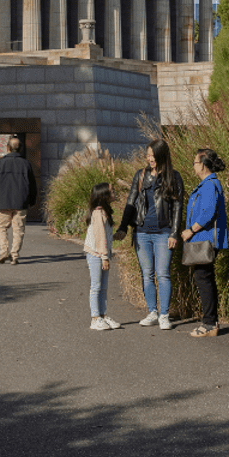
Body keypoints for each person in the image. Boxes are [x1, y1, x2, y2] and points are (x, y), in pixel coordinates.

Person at [113, 138, 185, 330]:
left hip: (163, 232)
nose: (149, 159)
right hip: (142, 232)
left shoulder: (173, 177)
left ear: (162, 156)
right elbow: (131, 202)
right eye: (148, 156)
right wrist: (123, 227)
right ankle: (152, 312)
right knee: (147, 274)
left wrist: (174, 233)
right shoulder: (141, 175)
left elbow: (178, 207)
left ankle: (164, 315)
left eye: (153, 156)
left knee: (163, 274)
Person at [180, 148, 228, 337]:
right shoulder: (208, 184)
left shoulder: (209, 185)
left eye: (195, 162)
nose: (193, 166)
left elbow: (207, 213)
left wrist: (190, 230)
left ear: (203, 164)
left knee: (204, 279)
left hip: (205, 240)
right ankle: (210, 321)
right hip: (203, 240)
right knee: (205, 278)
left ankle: (209, 323)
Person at [0, 136, 36, 264]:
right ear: (21, 149)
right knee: (18, 230)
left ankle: (3, 252)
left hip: (3, 201)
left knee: (2, 228)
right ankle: (15, 255)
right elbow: (32, 184)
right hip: (20, 202)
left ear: (7, 147)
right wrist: (32, 200)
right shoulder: (26, 164)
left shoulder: (0, 163)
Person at [83, 182, 122, 330]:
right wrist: (104, 257)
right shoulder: (98, 212)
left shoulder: (105, 212)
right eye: (112, 191)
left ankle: (103, 315)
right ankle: (95, 318)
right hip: (96, 254)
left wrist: (115, 236)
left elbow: (105, 234)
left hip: (102, 253)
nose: (114, 192)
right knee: (96, 286)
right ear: (104, 195)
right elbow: (99, 236)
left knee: (104, 287)